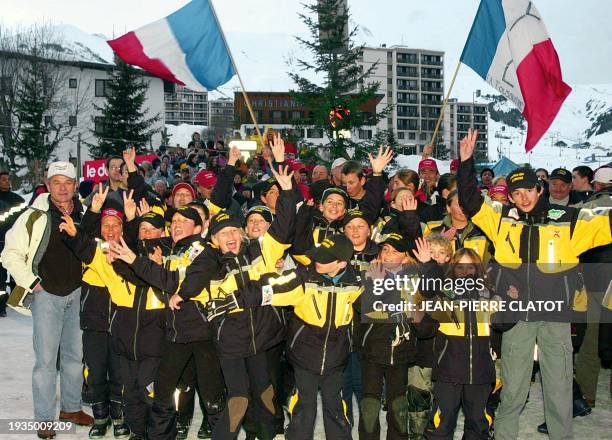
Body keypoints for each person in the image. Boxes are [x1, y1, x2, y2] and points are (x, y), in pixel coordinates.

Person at [456, 128, 612, 440]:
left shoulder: (569, 219)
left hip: (555, 318)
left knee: (558, 390)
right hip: (517, 319)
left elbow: (606, 224)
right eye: (516, 193)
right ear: (510, 196)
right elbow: (471, 201)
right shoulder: (501, 220)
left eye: (528, 190)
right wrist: (466, 161)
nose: (523, 197)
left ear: (539, 190)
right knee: (513, 392)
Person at [2, 162, 94, 439]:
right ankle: (43, 419)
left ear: (76, 185)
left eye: (68, 182)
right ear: (47, 183)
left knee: (75, 358)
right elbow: (9, 253)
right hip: (46, 296)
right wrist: (31, 282)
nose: (63, 187)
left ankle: (71, 408)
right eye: (57, 182)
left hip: (78, 294)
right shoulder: (34, 215)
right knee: (45, 361)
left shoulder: (87, 214)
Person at [414, 243, 501, 440]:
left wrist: (513, 302)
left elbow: (502, 325)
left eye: (471, 266)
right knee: (441, 424)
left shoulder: (490, 295)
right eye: (460, 266)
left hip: (480, 371)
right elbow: (424, 330)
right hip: (449, 370)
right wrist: (419, 311)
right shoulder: (444, 295)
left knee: (478, 424)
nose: (466, 272)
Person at [574, 166, 612, 409]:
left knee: (591, 339)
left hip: (595, 279)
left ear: (596, 185)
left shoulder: (587, 208)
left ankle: (587, 394)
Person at [0, 170, 26, 317]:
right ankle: (1, 306)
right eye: (3, 179)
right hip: (0, 242)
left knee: (16, 273)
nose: (6, 182)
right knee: (1, 277)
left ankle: (17, 301)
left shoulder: (18, 200)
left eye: (7, 179)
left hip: (15, 242)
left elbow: (24, 220)